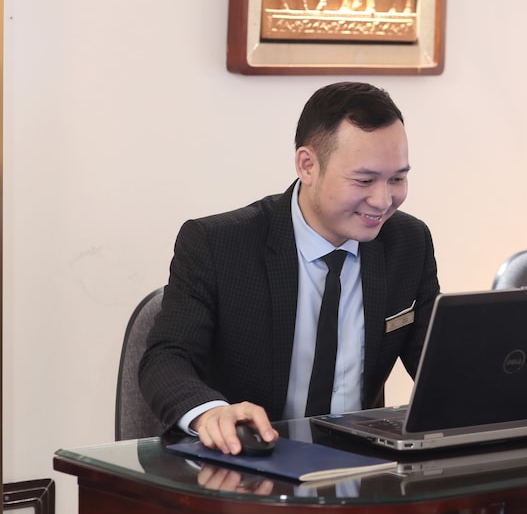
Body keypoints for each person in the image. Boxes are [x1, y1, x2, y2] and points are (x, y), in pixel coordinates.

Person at [139, 82, 440, 455]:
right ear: (307, 165)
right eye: (364, 180)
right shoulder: (218, 245)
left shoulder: (408, 243)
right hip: (247, 462)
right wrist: (211, 413)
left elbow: (439, 364)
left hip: (361, 466)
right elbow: (166, 356)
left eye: (397, 178)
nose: (383, 200)